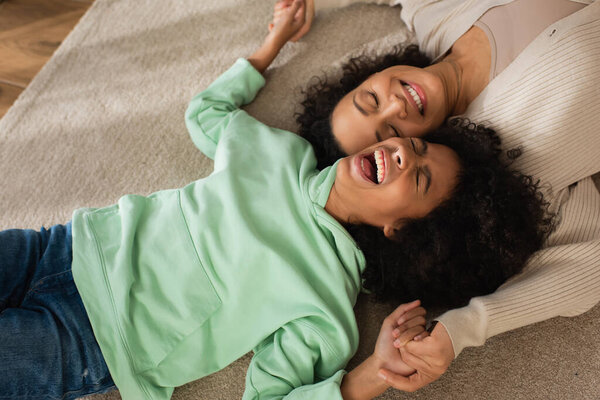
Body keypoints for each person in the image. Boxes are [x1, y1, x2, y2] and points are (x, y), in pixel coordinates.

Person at [0, 1, 551, 400]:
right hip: (65, 245)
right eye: (419, 143)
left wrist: (368, 378)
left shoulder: (327, 304)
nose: (407, 150)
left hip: (94, 337)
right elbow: (206, 115)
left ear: (404, 230)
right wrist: (270, 47)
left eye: (423, 177)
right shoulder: (278, 151)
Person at [273, 0, 600, 392]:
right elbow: (586, 269)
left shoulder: (433, 16)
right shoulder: (518, 159)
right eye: (388, 134)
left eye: (371, 99)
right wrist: (465, 327)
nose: (396, 104)